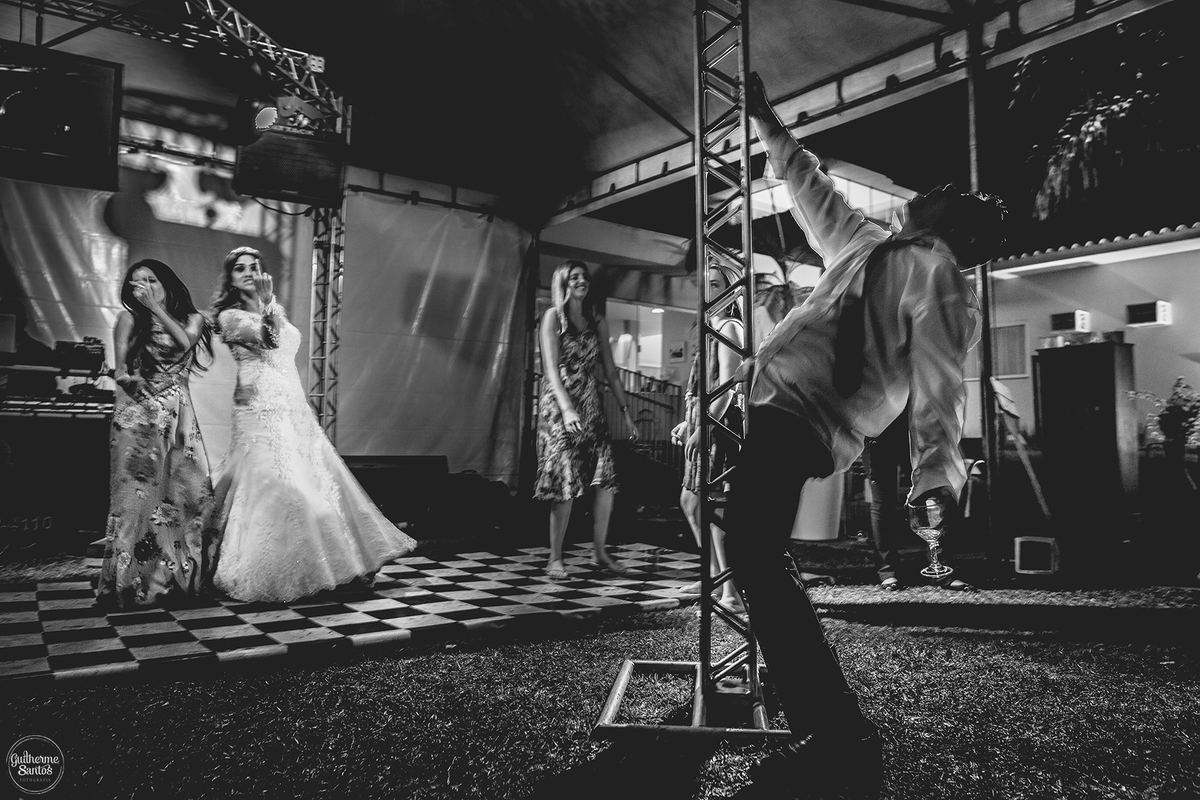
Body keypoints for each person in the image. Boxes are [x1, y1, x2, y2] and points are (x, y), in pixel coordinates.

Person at [727, 73, 1008, 796]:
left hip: (808, 414)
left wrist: (936, 472)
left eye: (950, 192)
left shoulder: (939, 275)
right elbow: (808, 186)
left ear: (959, 229)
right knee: (752, 551)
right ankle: (823, 718)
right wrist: (765, 119)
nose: (934, 188)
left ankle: (837, 731)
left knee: (753, 551)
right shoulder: (869, 243)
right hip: (772, 401)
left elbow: (942, 379)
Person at [209, 247, 415, 602]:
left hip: (291, 404)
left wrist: (270, 305)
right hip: (258, 408)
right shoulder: (230, 317)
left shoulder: (274, 309)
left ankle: (339, 562)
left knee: (320, 479)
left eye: (253, 267)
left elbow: (283, 350)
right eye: (239, 268)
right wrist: (268, 302)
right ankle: (279, 568)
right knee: (279, 484)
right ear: (229, 278)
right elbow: (270, 340)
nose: (247, 272)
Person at [96, 259, 219, 608]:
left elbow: (183, 344)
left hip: (178, 416)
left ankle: (178, 579)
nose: (144, 286)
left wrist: (155, 308)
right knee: (136, 501)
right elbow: (120, 369)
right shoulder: (128, 319)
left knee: (187, 494)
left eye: (151, 280)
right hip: (138, 416)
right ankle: (131, 583)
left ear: (166, 284)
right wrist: (125, 379)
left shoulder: (192, 319)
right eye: (136, 283)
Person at [535, 259, 638, 580]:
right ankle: (555, 557)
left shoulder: (597, 319)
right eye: (575, 277)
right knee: (564, 478)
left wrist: (626, 413)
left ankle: (600, 552)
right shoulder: (554, 317)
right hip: (558, 406)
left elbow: (610, 371)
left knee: (605, 477)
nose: (582, 281)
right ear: (563, 283)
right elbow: (551, 369)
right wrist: (566, 409)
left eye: (584, 277)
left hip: (590, 407)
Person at [671, 265, 745, 611]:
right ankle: (715, 579)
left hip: (721, 428)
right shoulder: (709, 328)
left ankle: (730, 591)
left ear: (729, 291)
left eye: (715, 284)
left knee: (712, 507)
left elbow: (728, 386)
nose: (708, 290)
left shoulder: (729, 326)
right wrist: (688, 423)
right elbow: (703, 386)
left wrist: (704, 426)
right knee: (692, 501)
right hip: (706, 424)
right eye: (705, 285)